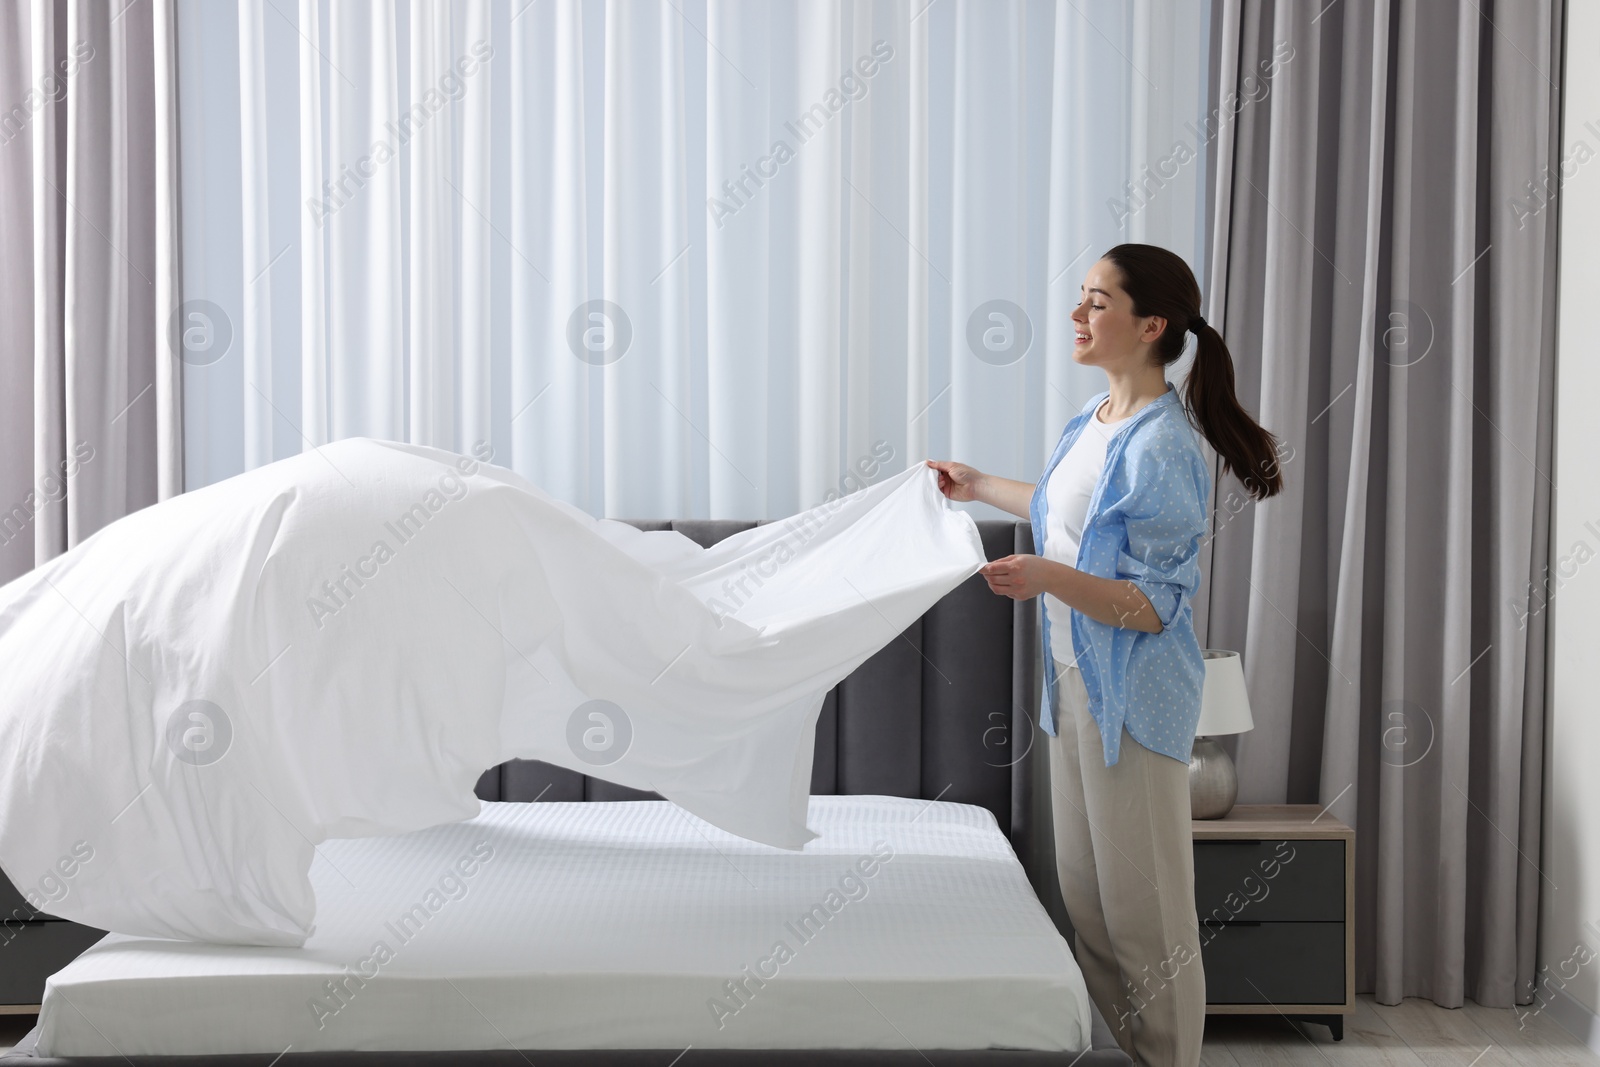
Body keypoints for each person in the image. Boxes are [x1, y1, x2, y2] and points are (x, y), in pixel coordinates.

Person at [927, 243, 1284, 1067]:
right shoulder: (1089, 423)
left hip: (1135, 701)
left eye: (1096, 301)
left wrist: (1048, 575)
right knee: (1088, 905)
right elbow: (1065, 510)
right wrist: (981, 484)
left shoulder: (1164, 445)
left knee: (1145, 916)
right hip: (1074, 686)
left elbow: (1155, 606)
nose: (1078, 315)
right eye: (1081, 298)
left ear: (1151, 323)